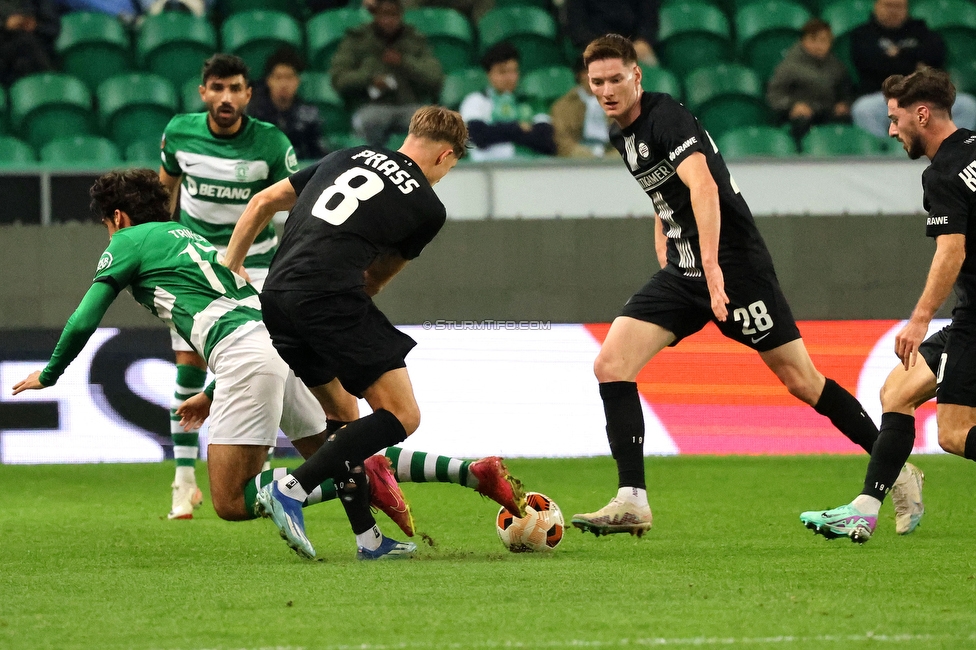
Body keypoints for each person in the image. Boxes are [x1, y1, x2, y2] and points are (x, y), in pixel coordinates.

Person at [569, 34, 922, 538]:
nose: (607, 89)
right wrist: (665, 240)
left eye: (616, 79)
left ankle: (899, 468)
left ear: (636, 77)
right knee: (611, 364)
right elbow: (660, 192)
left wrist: (713, 269)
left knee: (802, 381)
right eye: (598, 82)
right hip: (684, 271)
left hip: (735, 269)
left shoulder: (667, 118)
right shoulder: (620, 134)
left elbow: (704, 186)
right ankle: (632, 500)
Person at [9, 169, 416, 561]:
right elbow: (238, 315)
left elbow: (84, 318)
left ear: (117, 217)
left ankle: (294, 487)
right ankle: (370, 537)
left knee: (231, 500)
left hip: (245, 355)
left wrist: (50, 373)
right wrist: (210, 392)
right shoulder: (187, 236)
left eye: (107, 223)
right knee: (334, 453)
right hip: (281, 343)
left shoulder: (127, 240)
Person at [221, 105, 469, 559]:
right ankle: (291, 488)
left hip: (276, 296)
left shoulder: (346, 155)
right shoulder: (427, 207)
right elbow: (372, 281)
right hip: (329, 298)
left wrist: (232, 264)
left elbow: (261, 203)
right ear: (446, 156)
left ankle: (368, 540)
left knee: (343, 412)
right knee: (402, 415)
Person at [800, 67, 976, 543]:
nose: (892, 129)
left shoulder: (941, 173)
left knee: (955, 434)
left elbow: (951, 250)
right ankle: (866, 507)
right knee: (897, 393)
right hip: (968, 317)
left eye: (896, 119)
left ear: (922, 114)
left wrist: (918, 320)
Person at [157, 54, 299, 521]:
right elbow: (165, 196)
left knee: (270, 364)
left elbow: (294, 207)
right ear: (203, 93)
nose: (225, 97)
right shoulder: (179, 133)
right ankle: (183, 482)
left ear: (247, 95)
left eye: (235, 88)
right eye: (217, 88)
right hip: (198, 270)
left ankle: (267, 474)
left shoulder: (271, 143)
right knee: (188, 370)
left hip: (256, 269)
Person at [850, 0, 976, 138]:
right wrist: (913, 64)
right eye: (888, 5)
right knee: (862, 109)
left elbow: (937, 54)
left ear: (907, 8)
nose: (893, 11)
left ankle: (950, 153)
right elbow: (870, 64)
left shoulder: (920, 29)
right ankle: (883, 153)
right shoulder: (863, 34)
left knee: (967, 106)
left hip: (924, 95)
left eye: (899, 7)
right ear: (876, 7)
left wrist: (899, 55)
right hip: (884, 97)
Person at [330, 0, 444, 146]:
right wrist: (369, 79)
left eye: (393, 15)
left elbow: (435, 77)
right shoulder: (357, 40)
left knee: (429, 124)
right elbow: (339, 79)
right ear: (375, 15)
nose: (388, 20)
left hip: (409, 104)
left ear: (401, 15)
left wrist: (404, 62)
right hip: (370, 105)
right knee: (370, 121)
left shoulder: (415, 39)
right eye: (384, 15)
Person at [459, 42, 556, 161]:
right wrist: (518, 128)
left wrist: (498, 131)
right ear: (489, 74)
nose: (509, 78)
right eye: (502, 72)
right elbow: (479, 136)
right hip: (489, 168)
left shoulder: (532, 102)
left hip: (530, 168)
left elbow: (545, 141)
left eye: (513, 71)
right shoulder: (475, 101)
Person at [766, 18, 853, 150]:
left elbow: (846, 91)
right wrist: (792, 106)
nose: (819, 45)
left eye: (824, 41)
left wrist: (844, 103)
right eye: (813, 40)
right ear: (803, 40)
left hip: (827, 111)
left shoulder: (836, 66)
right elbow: (774, 95)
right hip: (800, 115)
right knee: (801, 122)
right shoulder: (788, 66)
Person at [248, 46, 330, 161]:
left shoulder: (308, 115)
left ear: (298, 81)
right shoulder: (254, 113)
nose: (283, 84)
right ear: (268, 80)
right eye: (278, 77)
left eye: (289, 77)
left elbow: (318, 152)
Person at [550, 56, 616, 159]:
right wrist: (581, 153)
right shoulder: (563, 106)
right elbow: (561, 139)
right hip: (577, 162)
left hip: (612, 161)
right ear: (581, 75)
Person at [564, 0, 659, 67]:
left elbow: (649, 18)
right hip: (596, 49)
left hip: (634, 47)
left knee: (652, 76)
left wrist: (643, 40)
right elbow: (577, 25)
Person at [0, 0, 58, 87]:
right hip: (5, 54)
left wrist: (35, 26)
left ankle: (49, 87)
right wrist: (6, 26)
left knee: (26, 42)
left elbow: (52, 27)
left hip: (36, 48)